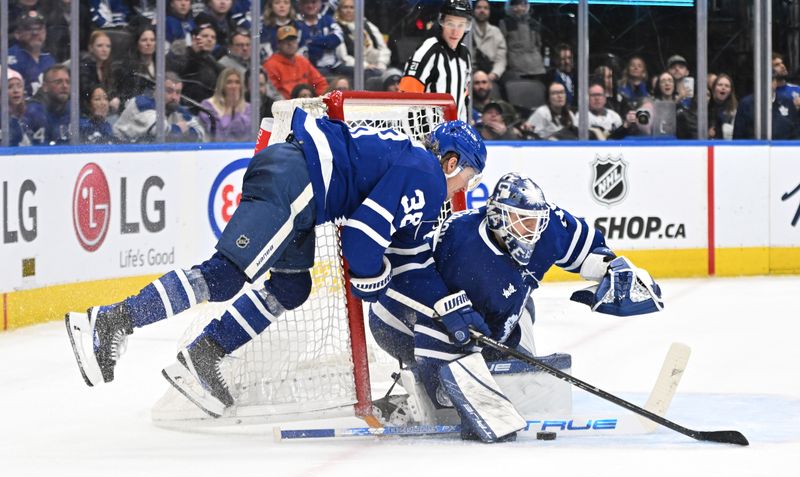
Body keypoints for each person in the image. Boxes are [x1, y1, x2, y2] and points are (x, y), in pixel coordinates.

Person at [66, 116, 489, 419]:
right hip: (296, 180)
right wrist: (373, 283)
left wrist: (450, 306)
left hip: (300, 182)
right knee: (224, 275)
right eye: (468, 175)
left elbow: (411, 262)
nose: (465, 187)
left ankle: (205, 353)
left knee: (290, 287)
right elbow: (360, 240)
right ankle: (112, 320)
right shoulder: (425, 174)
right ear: (452, 162)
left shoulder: (415, 167)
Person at [368, 172, 663, 442]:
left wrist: (613, 268)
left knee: (522, 306)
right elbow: (434, 314)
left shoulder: (547, 226)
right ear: (497, 218)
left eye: (536, 222)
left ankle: (487, 380)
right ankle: (433, 395)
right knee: (453, 351)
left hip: (485, 312)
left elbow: (586, 248)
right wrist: (475, 403)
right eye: (523, 221)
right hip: (399, 320)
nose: (532, 231)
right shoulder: (464, 249)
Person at [399, 0, 473, 121]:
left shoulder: (465, 54)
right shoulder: (427, 51)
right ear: (441, 22)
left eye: (461, 25)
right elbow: (406, 96)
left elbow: (463, 97)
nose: (455, 31)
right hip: (427, 135)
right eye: (450, 24)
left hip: (453, 133)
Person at [113, 71, 206, 142]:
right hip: (118, 152)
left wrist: (176, 131)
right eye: (169, 91)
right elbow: (160, 132)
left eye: (178, 92)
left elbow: (200, 133)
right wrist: (182, 129)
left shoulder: (177, 110)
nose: (174, 97)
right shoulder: (141, 103)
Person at [263, 25, 329, 99]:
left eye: (293, 41)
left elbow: (320, 83)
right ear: (278, 44)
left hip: (308, 104)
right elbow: (273, 93)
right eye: (286, 41)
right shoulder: (270, 65)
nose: (290, 44)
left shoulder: (303, 61)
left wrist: (318, 100)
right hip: (285, 106)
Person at [167, 19, 224, 103]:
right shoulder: (180, 53)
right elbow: (182, 74)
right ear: (194, 38)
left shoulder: (210, 59)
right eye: (205, 36)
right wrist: (194, 53)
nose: (210, 40)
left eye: (213, 37)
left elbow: (226, 74)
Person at [334, 0, 391, 79]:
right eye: (345, 7)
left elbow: (383, 48)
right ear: (339, 10)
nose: (348, 10)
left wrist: (381, 63)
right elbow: (344, 57)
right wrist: (366, 65)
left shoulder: (366, 24)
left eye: (352, 7)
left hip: (375, 63)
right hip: (355, 66)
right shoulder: (336, 27)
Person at [733, 76, 800, 140]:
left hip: (783, 149)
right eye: (763, 81)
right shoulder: (745, 104)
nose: (767, 84)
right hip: (753, 149)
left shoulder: (787, 102)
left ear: (775, 82)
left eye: (770, 80)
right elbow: (738, 134)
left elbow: (795, 131)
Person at [8, 10, 55, 97]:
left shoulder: (49, 60)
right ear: (18, 33)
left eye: (39, 28)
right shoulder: (9, 57)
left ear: (45, 32)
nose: (35, 33)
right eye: (28, 29)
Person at [296, 0, 348, 77]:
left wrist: (312, 42)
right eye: (306, 2)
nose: (310, 6)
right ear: (300, 5)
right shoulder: (297, 24)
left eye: (314, 2)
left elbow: (338, 37)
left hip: (334, 66)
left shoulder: (327, 20)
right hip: (312, 69)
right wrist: (325, 42)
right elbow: (299, 51)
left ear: (320, 4)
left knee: (360, 73)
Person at [24, 63, 71, 145]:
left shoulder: (72, 110)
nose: (65, 86)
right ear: (45, 87)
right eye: (58, 82)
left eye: (68, 82)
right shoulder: (33, 112)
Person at [499, 0, 545, 83]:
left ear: (526, 6)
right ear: (510, 7)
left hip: (536, 68)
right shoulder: (505, 23)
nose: (519, 8)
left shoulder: (534, 23)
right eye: (516, 5)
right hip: (516, 69)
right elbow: (502, 47)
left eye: (522, 5)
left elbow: (539, 45)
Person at [199, 67, 251, 140]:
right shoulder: (207, 106)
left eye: (237, 82)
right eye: (229, 82)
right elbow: (217, 136)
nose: (233, 86)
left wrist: (236, 110)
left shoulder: (248, 108)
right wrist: (229, 109)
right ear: (222, 86)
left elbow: (245, 135)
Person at [79, 30, 121, 115]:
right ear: (91, 48)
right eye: (99, 46)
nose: (104, 50)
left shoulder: (109, 67)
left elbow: (113, 91)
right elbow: (87, 91)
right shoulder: (85, 66)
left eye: (108, 46)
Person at [113, 24, 157, 105]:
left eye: (152, 40)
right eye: (144, 40)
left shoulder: (161, 64)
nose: (149, 43)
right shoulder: (129, 67)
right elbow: (128, 96)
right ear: (137, 44)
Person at [471, 0, 506, 83]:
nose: (482, 10)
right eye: (479, 7)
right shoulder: (465, 30)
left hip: (491, 75)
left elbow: (501, 59)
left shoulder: (496, 32)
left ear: (489, 12)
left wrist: (494, 74)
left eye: (485, 8)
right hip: (469, 75)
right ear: (473, 10)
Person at [708, 73, 737, 140]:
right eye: (720, 85)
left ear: (730, 91)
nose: (723, 88)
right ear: (714, 88)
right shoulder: (705, 106)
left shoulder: (735, 110)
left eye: (727, 86)